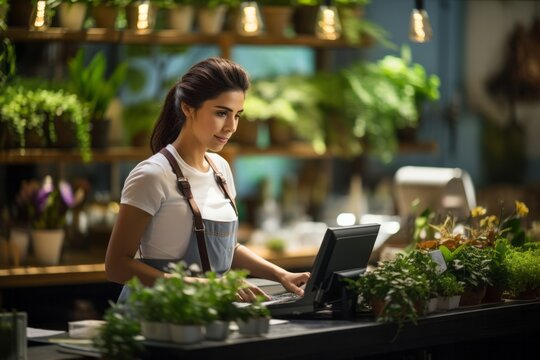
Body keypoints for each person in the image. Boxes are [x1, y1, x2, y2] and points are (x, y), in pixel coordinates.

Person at [105, 57, 310, 303]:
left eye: (237, 115)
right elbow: (116, 266)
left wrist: (281, 274)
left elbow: (227, 249)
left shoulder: (221, 169)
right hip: (155, 315)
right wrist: (208, 286)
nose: (231, 127)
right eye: (222, 113)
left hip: (206, 313)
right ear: (188, 108)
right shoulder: (152, 175)